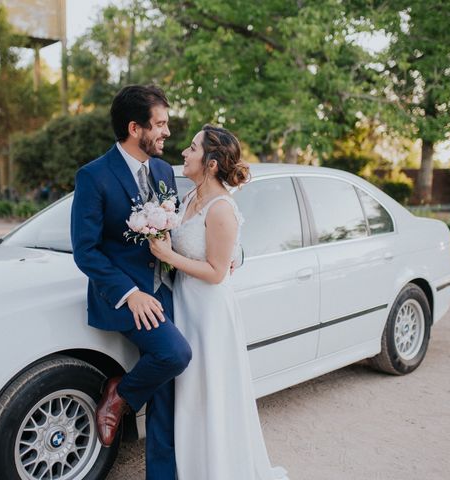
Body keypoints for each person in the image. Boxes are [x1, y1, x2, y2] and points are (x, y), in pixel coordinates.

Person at [149, 125, 289, 479]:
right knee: (191, 394)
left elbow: (216, 272)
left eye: (193, 148)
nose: (184, 152)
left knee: (212, 393)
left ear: (211, 163)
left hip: (209, 311)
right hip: (186, 304)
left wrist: (168, 254)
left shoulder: (221, 207)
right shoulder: (189, 197)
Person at [71, 85, 192, 480]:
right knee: (174, 354)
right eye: (159, 124)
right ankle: (118, 395)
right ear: (133, 127)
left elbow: (173, 233)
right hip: (126, 297)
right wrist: (129, 293)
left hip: (167, 290)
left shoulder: (162, 171)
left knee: (166, 394)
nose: (166, 133)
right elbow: (86, 250)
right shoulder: (94, 176)